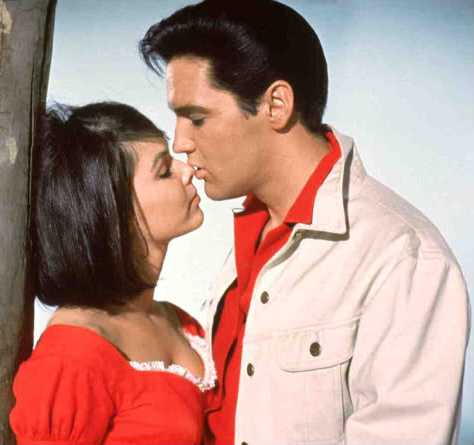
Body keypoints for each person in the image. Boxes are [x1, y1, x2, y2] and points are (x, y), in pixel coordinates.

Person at [140, 1, 471, 444]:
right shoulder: (249, 237)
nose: (180, 142)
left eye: (197, 118)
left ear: (276, 104)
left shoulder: (402, 259)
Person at [10, 102, 216, 445]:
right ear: (111, 210)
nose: (187, 170)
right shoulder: (70, 357)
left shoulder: (180, 322)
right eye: (164, 171)